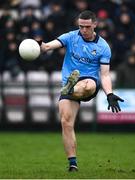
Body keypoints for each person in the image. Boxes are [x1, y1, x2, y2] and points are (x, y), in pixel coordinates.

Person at [37, 10, 124, 172]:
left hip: (89, 82)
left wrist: (109, 94)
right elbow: (49, 46)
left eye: (87, 27)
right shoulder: (71, 36)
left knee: (87, 85)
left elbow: (104, 75)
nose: (83, 30)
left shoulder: (103, 47)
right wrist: (40, 46)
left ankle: (72, 88)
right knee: (65, 122)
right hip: (69, 86)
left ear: (95, 25)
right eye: (81, 26)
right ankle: (73, 164)